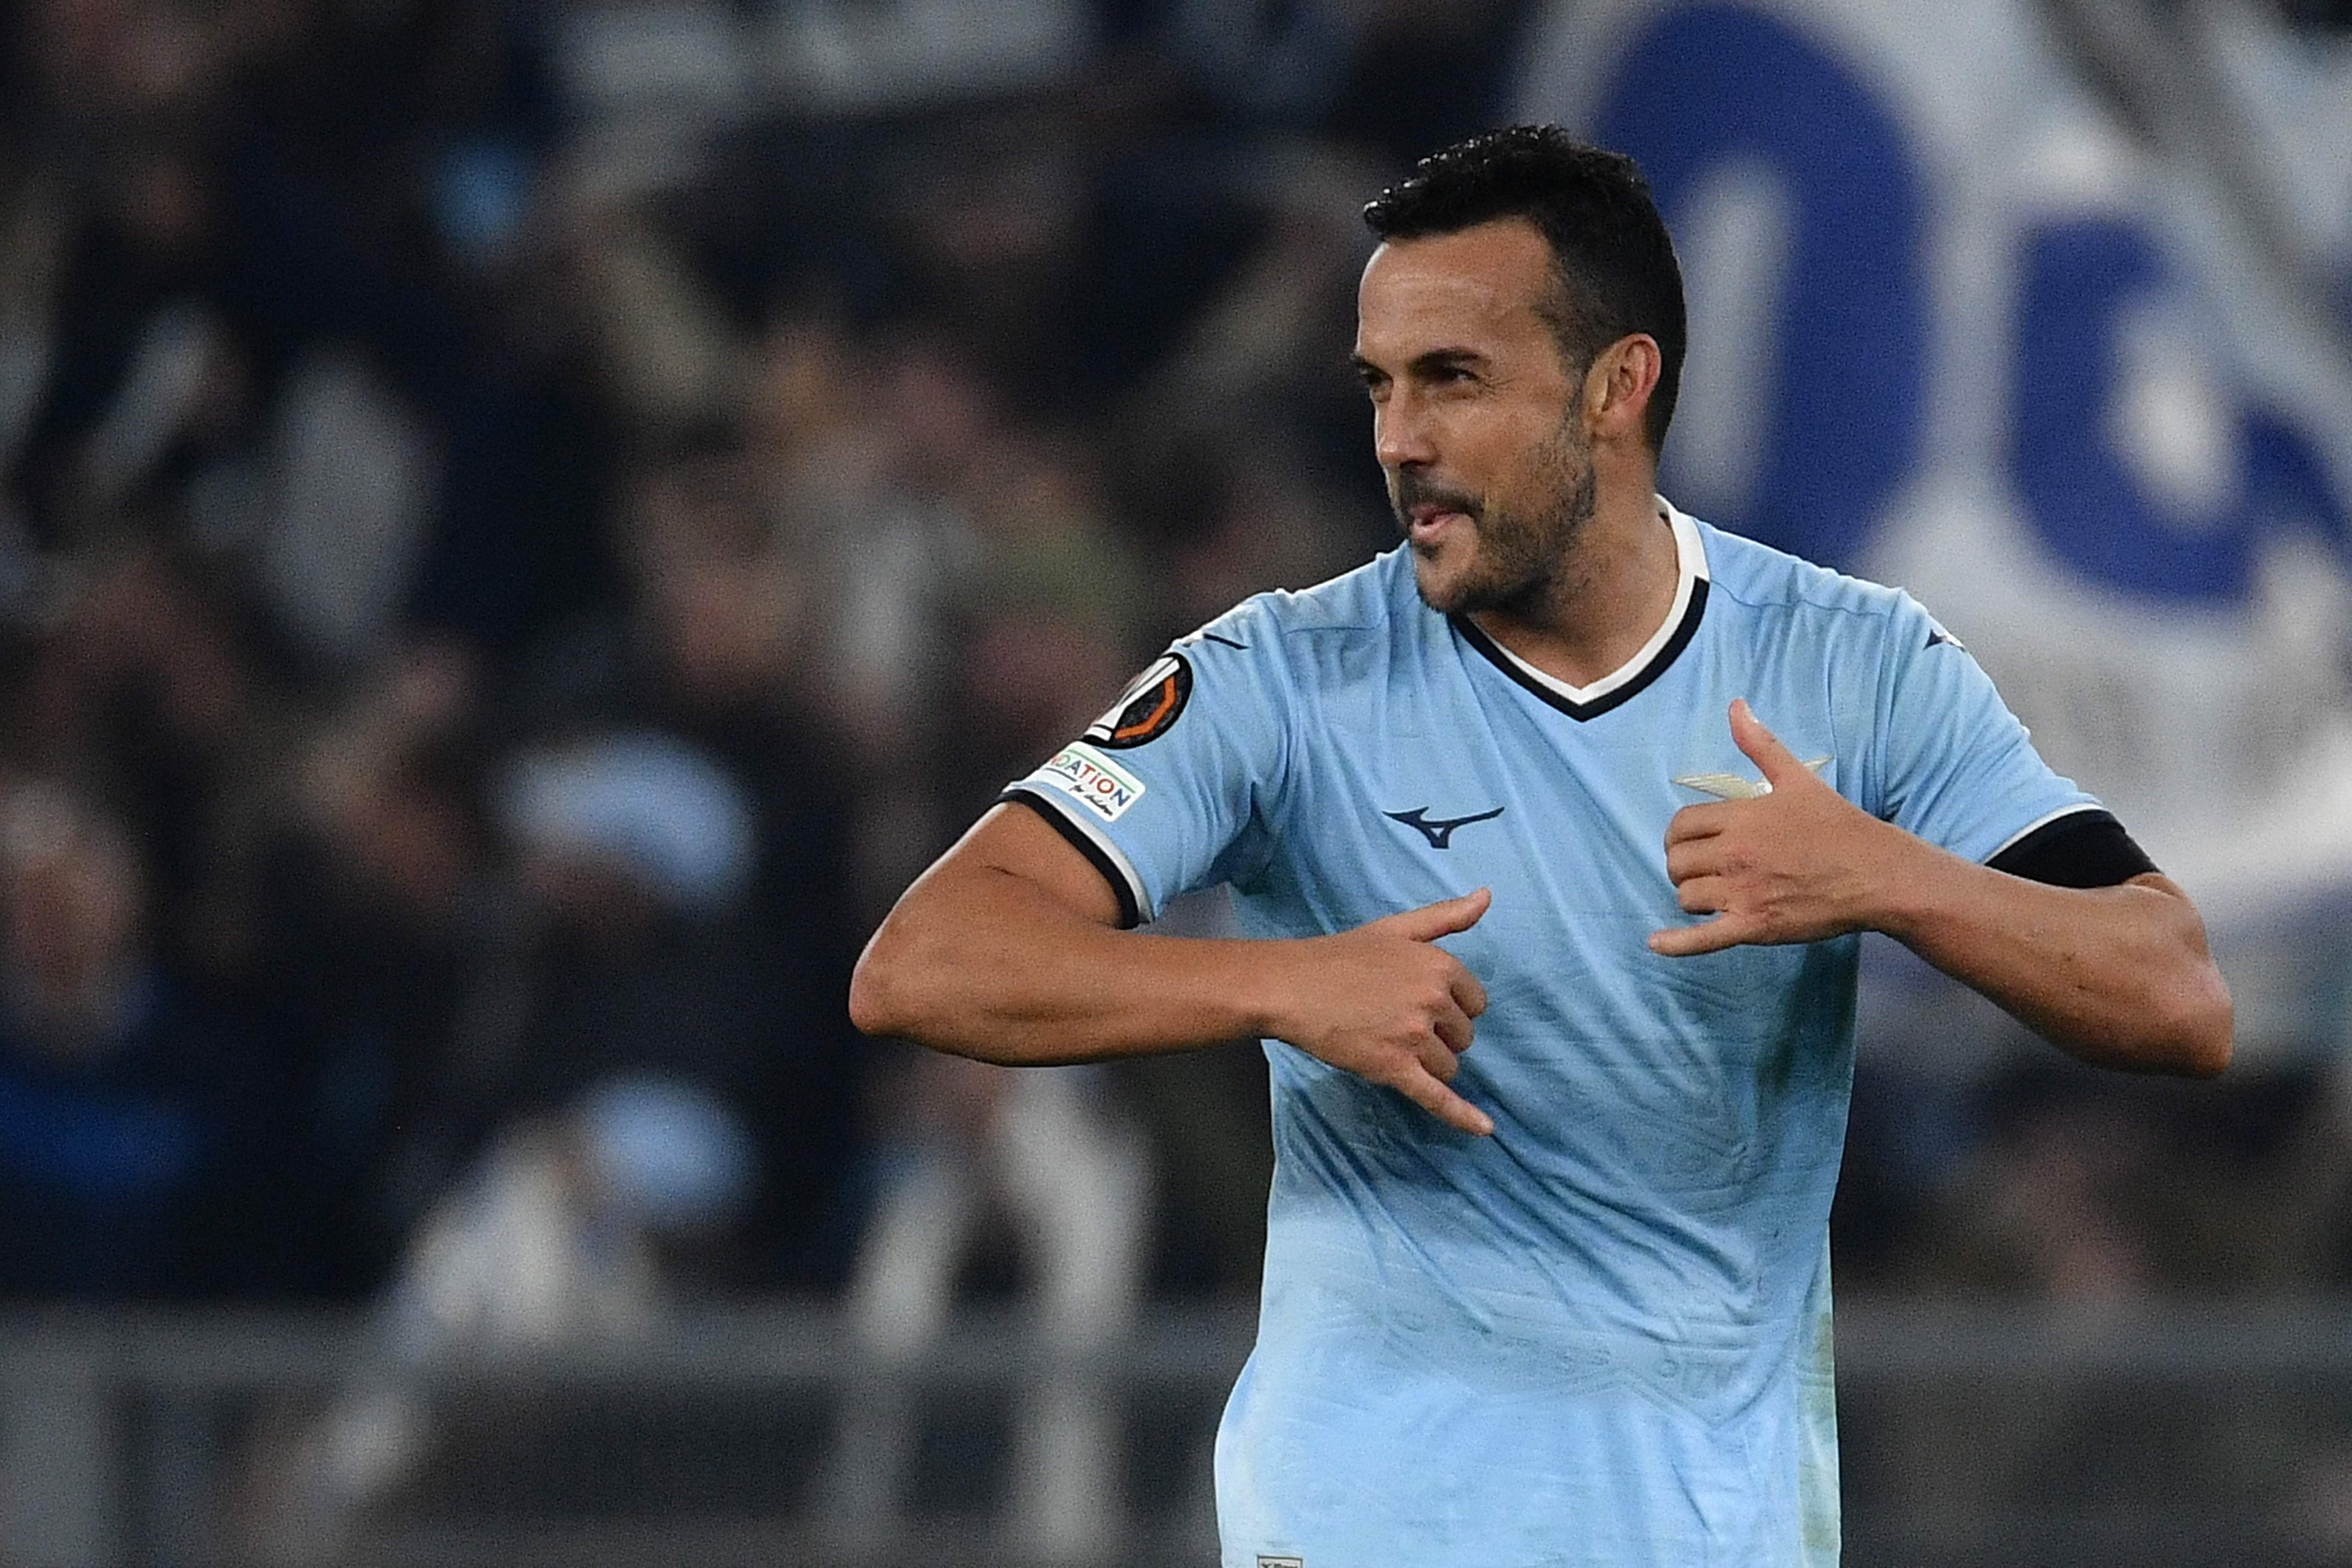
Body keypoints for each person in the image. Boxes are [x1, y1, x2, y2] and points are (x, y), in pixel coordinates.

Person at [849, 126, 2232, 1567]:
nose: (1399, 439)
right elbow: (926, 962)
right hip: (1370, 1526)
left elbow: (2175, 992)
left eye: (1453, 379)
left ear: (1616, 387)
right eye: (1381, 387)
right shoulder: (1282, 676)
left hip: (1718, 1533)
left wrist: (1890, 878)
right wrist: (1277, 985)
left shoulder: (1856, 664)